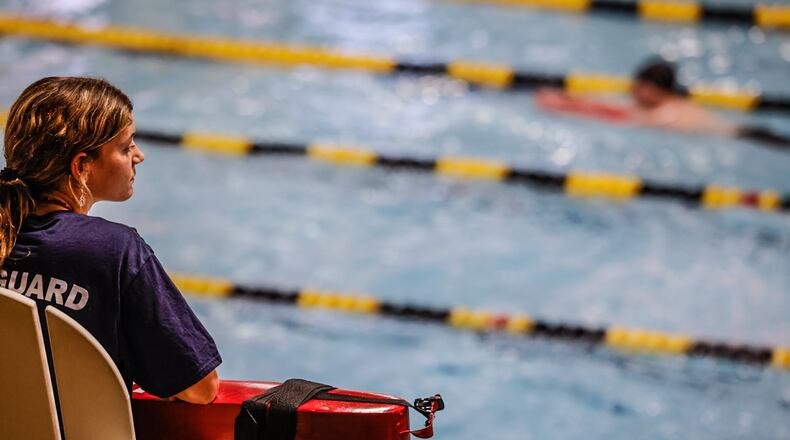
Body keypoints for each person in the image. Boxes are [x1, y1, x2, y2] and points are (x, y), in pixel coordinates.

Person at [0, 77, 221, 404]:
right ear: (81, 166)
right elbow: (200, 387)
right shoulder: (113, 251)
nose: (139, 156)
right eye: (126, 146)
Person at [535, 60, 789, 149]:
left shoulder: (670, 115)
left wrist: (569, 108)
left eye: (639, 88)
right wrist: (570, 99)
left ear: (656, 91)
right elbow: (618, 106)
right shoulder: (660, 104)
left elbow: (624, 117)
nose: (633, 92)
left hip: (749, 137)